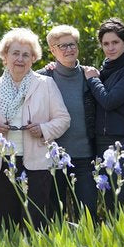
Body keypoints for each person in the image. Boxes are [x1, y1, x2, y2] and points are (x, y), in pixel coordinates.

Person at [0, 28, 70, 230]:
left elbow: (63, 119)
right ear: (5, 56)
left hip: (37, 163)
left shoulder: (46, 84)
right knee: (6, 224)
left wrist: (43, 129)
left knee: (35, 223)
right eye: (15, 53)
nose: (20, 59)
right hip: (1, 163)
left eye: (26, 54)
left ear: (33, 58)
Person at [84, 18, 124, 218]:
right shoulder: (104, 70)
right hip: (100, 142)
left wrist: (93, 79)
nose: (110, 48)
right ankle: (116, 246)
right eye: (106, 44)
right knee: (110, 203)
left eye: (115, 42)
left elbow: (109, 101)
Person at [38, 25, 96, 221]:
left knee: (88, 216)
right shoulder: (43, 77)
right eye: (61, 46)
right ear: (52, 51)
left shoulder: (90, 76)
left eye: (71, 44)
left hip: (85, 157)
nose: (68, 50)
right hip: (53, 158)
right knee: (55, 217)